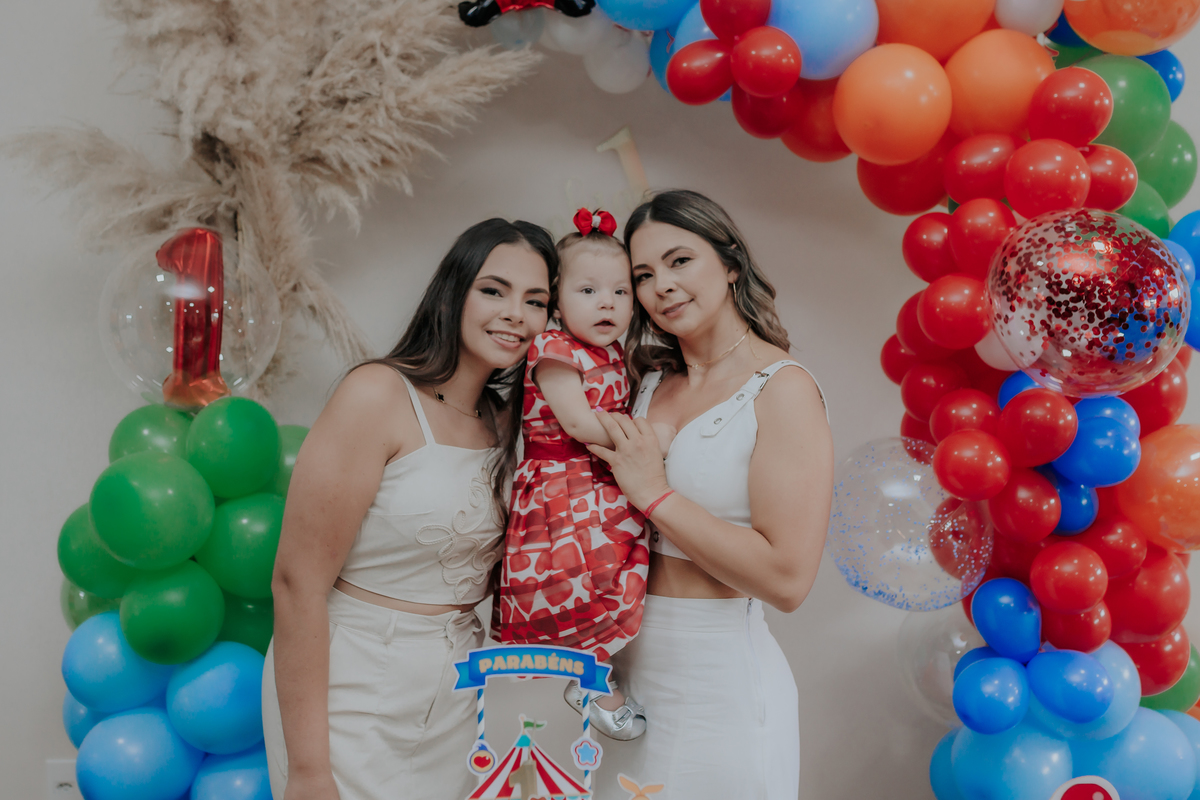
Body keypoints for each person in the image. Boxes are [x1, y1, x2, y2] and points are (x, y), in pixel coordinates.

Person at [261, 218, 556, 800]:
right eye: (493, 290)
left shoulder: (509, 424)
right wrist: (309, 770)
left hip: (458, 693)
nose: (515, 314)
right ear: (454, 292)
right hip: (349, 687)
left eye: (536, 301)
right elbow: (296, 584)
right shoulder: (377, 394)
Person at [588, 190, 834, 798]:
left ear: (729, 264)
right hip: (624, 676)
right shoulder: (645, 383)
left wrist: (655, 495)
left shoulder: (782, 389)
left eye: (679, 261)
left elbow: (787, 580)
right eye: (643, 275)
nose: (662, 286)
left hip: (719, 683)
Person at [492, 208, 653, 740]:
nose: (607, 303)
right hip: (562, 487)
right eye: (588, 291)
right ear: (557, 301)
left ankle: (598, 674)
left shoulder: (614, 351)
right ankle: (592, 683)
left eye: (620, 291)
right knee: (583, 580)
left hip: (599, 482)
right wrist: (651, 438)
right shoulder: (554, 349)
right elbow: (579, 423)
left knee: (619, 573)